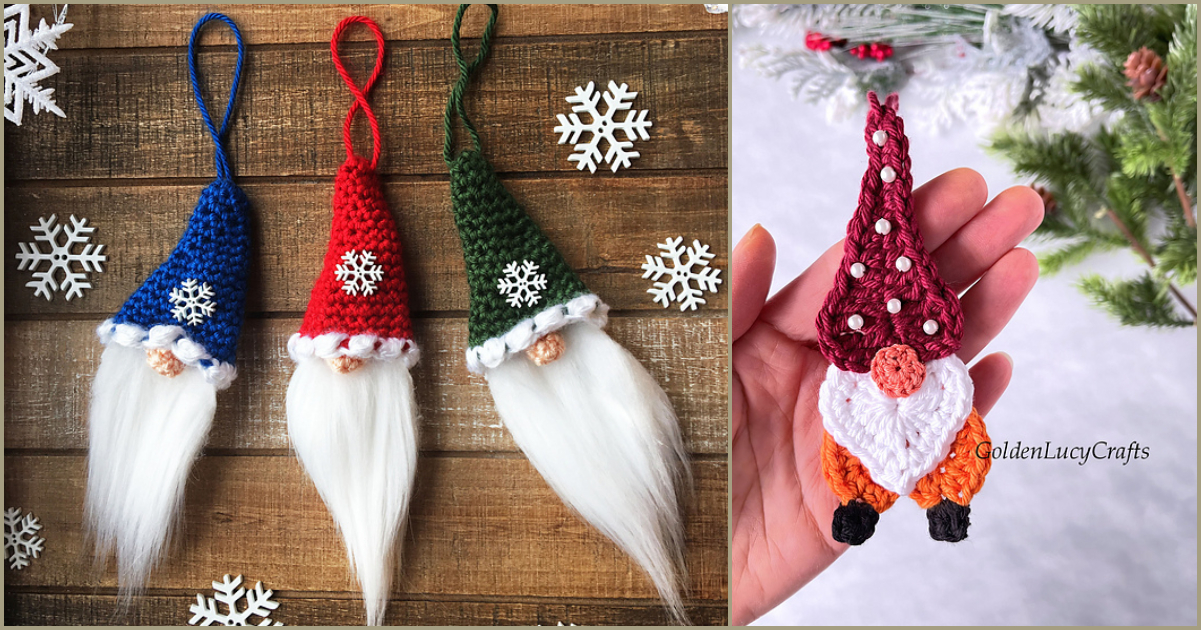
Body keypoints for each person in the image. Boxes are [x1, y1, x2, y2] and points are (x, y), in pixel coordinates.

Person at [730, 168, 1045, 625]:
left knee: (950, 444)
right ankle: (862, 503)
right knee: (854, 447)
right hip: (861, 417)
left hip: (925, 408)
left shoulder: (940, 382)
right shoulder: (850, 394)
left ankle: (945, 501)